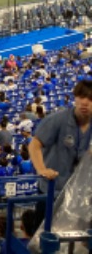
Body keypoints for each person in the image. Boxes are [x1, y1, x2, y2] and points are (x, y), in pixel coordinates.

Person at [28, 78, 92, 221]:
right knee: (43, 236)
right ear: (75, 98)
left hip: (79, 195)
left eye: (90, 98)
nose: (85, 102)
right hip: (52, 191)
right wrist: (42, 169)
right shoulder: (58, 119)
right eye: (81, 97)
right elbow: (34, 144)